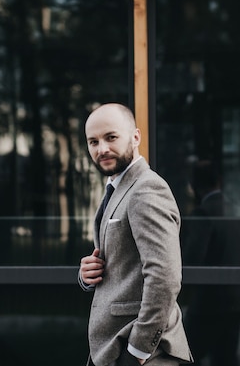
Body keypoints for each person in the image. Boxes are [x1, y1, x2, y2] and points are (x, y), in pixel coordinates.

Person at [79, 103, 193, 366]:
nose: (102, 149)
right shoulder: (117, 188)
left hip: (143, 353)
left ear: (136, 137)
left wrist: (138, 351)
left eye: (111, 137)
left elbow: (164, 277)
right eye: (93, 141)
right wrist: (88, 273)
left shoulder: (146, 189)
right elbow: (124, 262)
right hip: (113, 349)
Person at [181, 160, 240, 366]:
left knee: (185, 356)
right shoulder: (235, 210)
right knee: (226, 359)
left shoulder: (203, 214)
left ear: (194, 186)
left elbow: (193, 260)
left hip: (209, 303)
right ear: (219, 181)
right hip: (236, 300)